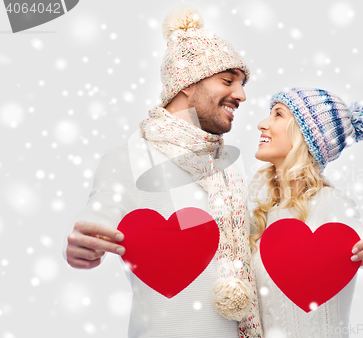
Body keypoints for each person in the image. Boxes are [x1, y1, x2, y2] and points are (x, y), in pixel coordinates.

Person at [63, 6, 262, 338]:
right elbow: (100, 212)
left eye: (241, 84)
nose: (241, 95)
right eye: (228, 81)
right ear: (186, 84)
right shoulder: (129, 156)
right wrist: (86, 240)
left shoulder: (232, 166)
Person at [249, 88, 363, 337]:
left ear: (304, 136)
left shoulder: (330, 202)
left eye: (277, 114)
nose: (262, 124)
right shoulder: (262, 214)